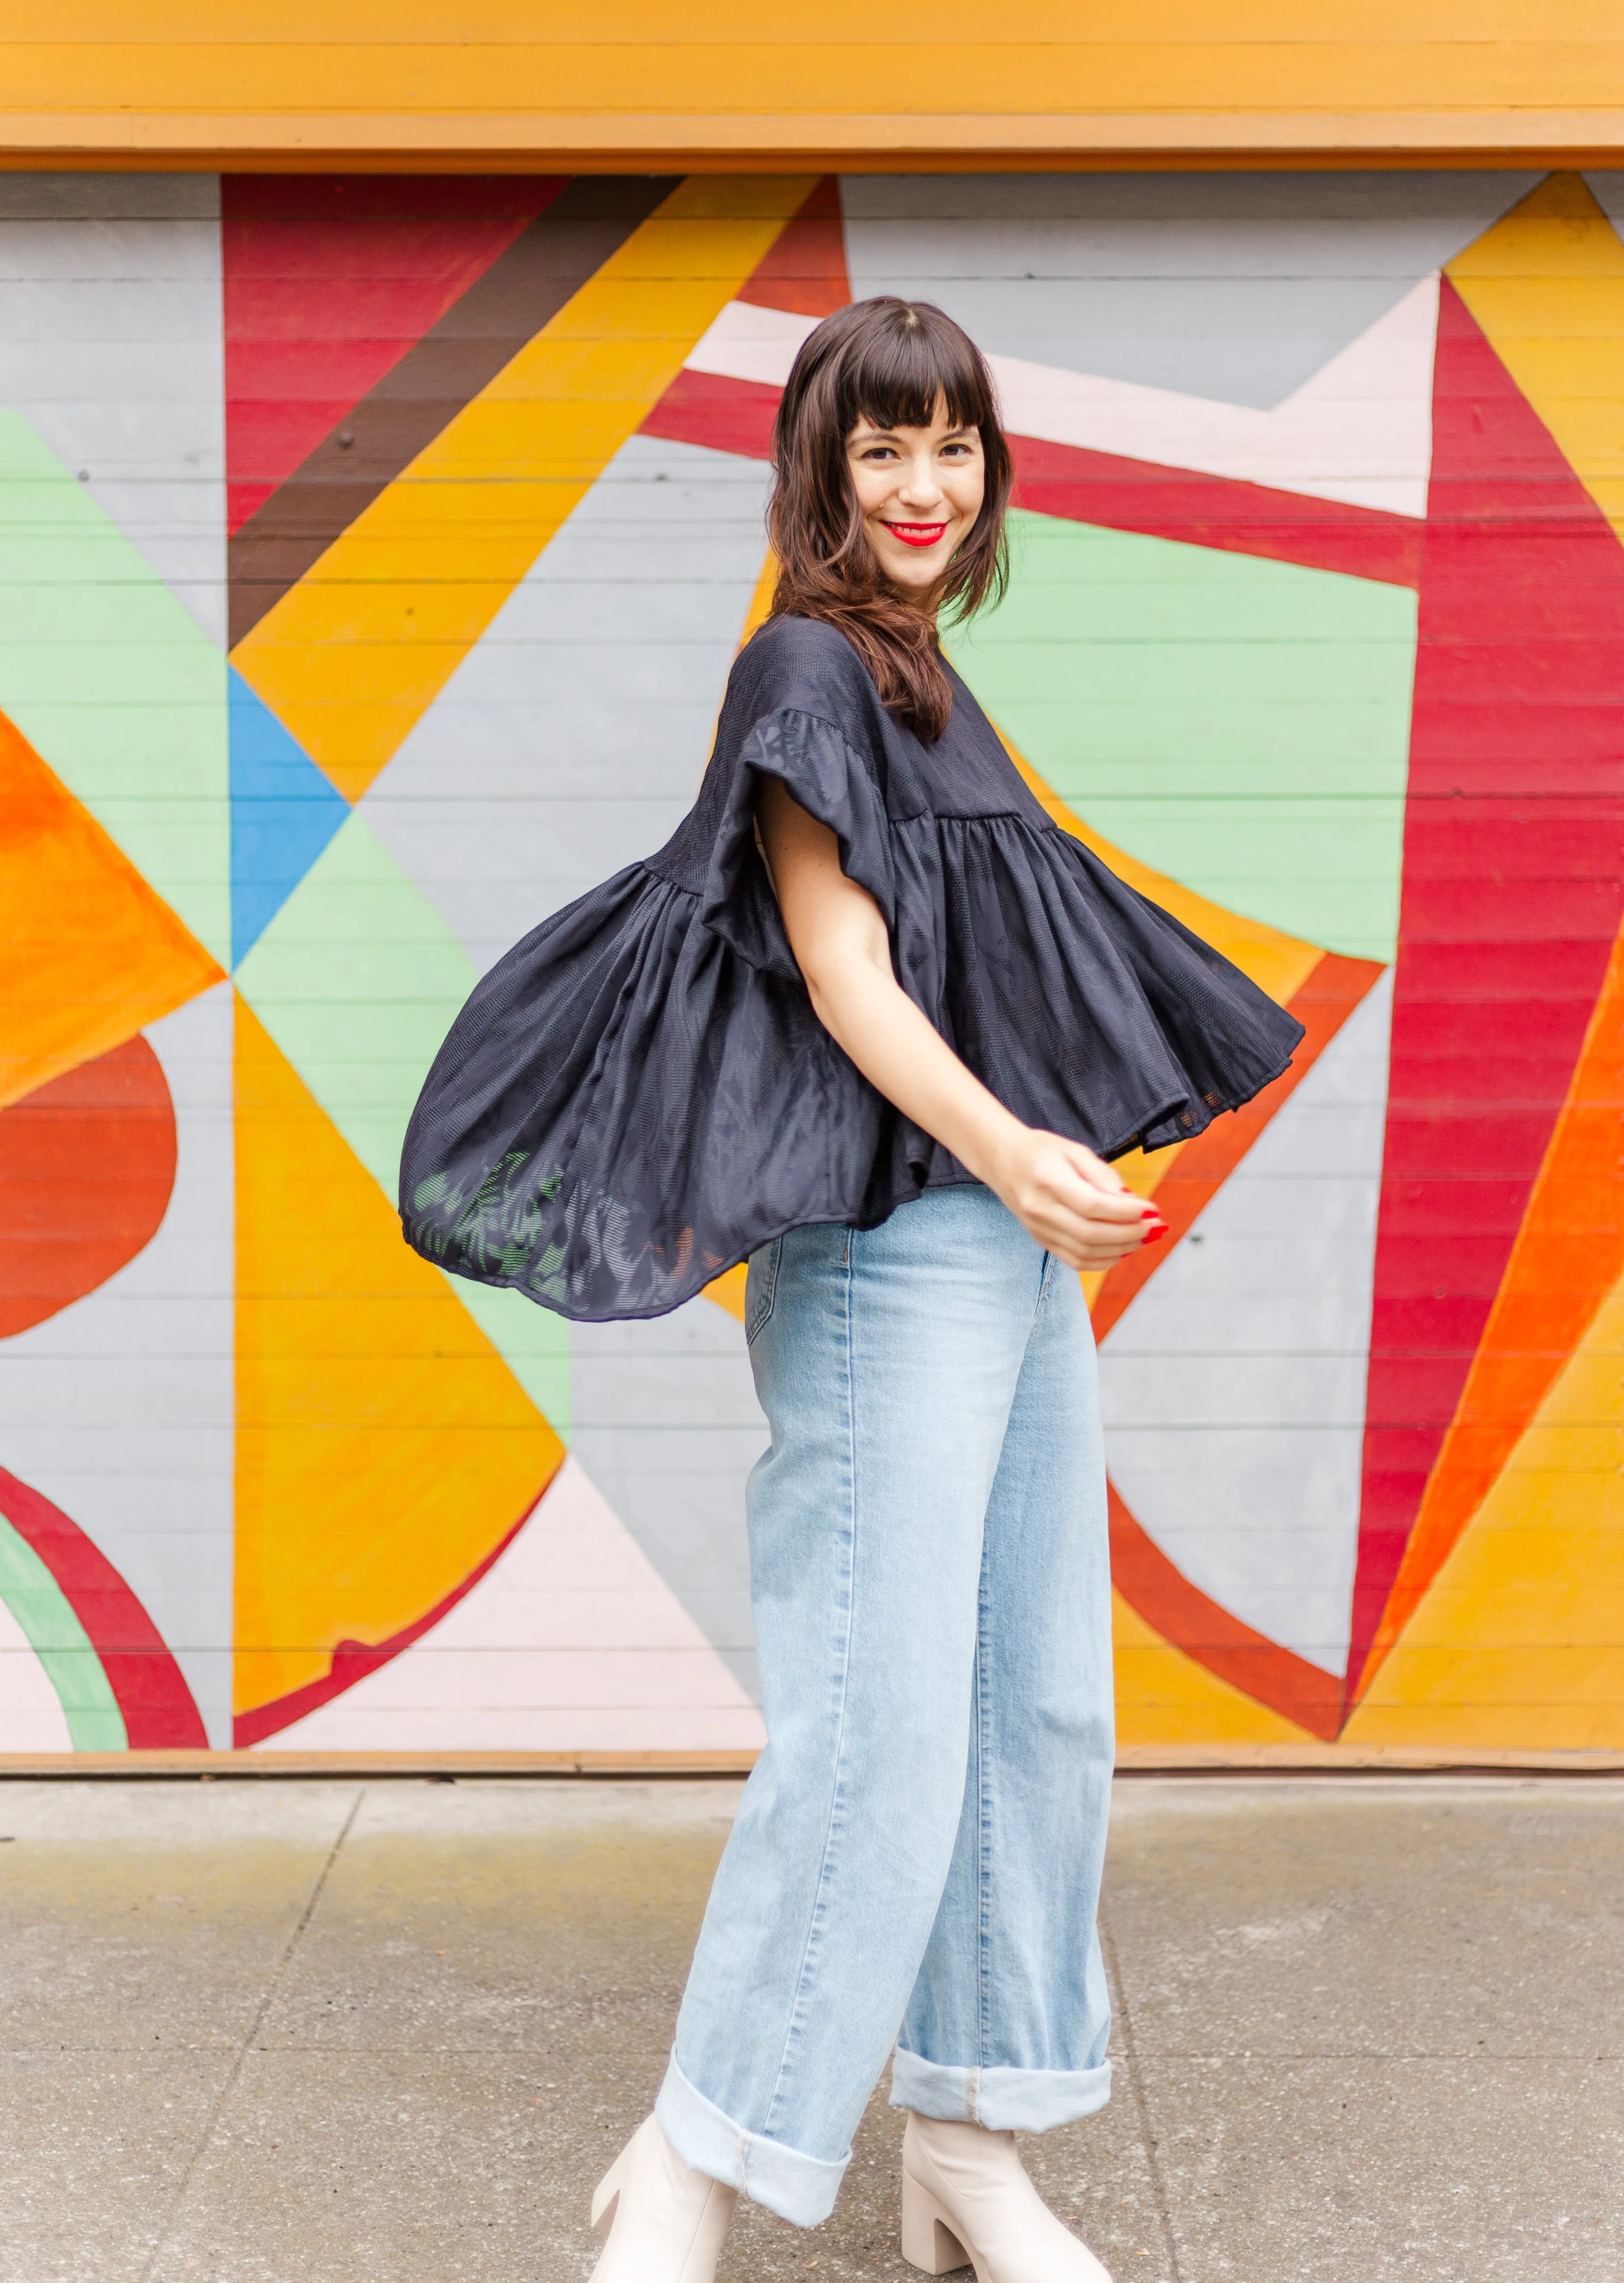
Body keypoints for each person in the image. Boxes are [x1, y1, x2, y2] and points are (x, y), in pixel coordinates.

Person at [401, 298, 1303, 2281]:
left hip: (1005, 1254)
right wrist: (1011, 1152)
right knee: (881, 1720)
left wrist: (1038, 1184)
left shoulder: (925, 681)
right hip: (893, 1253)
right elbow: (842, 970)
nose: (922, 487)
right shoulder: (803, 667)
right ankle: (696, 2157)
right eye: (881, 448)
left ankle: (969, 2147)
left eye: (954, 446)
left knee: (1036, 1701)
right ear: (819, 471)